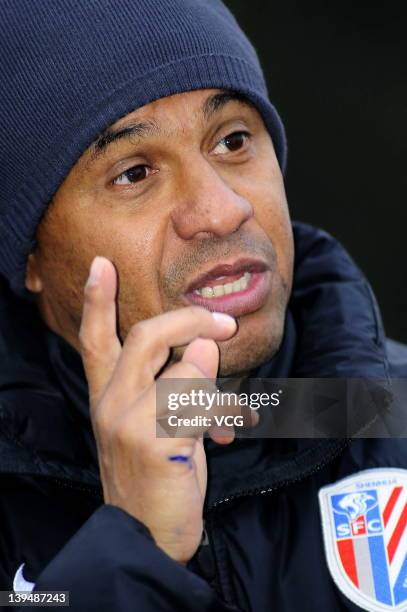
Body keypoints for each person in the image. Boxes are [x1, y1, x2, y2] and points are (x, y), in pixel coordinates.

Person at [0, 1, 406, 610]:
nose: (221, 209)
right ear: (30, 256)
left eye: (234, 140)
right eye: (134, 173)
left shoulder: (390, 419)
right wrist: (133, 550)